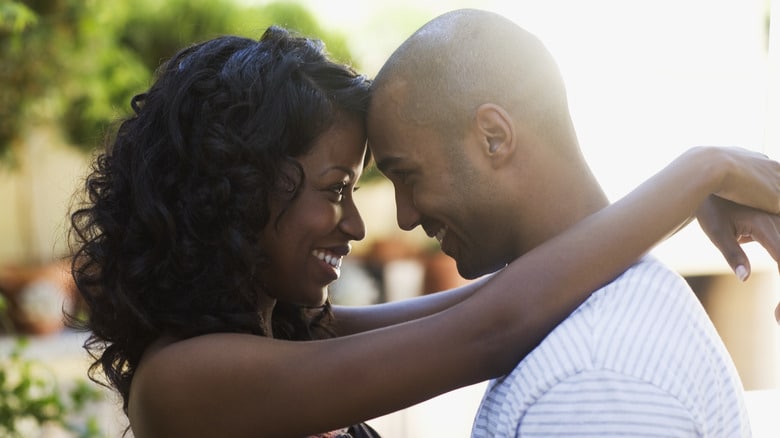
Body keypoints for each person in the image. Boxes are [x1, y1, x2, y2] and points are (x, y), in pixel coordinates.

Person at [68, 25, 780, 438]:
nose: (358, 224)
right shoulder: (185, 381)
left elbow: (501, 297)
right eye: (336, 190)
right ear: (239, 190)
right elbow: (493, 327)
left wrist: (681, 202)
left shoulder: (286, 333)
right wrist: (701, 171)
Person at [366, 8, 779, 437]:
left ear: (494, 137)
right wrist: (695, 183)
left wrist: (699, 179)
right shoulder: (588, 339)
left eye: (408, 177)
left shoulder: (593, 378)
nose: (404, 217)